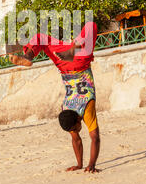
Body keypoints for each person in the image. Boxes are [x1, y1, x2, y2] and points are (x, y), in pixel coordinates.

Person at [9, 21, 100, 173]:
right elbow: (77, 139)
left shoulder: (86, 107)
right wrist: (80, 165)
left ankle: (29, 56)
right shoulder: (66, 109)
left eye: (75, 129)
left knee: (91, 26)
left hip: (79, 61)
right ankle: (29, 55)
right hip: (64, 60)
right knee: (41, 37)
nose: (76, 131)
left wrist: (90, 165)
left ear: (78, 120)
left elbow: (94, 138)